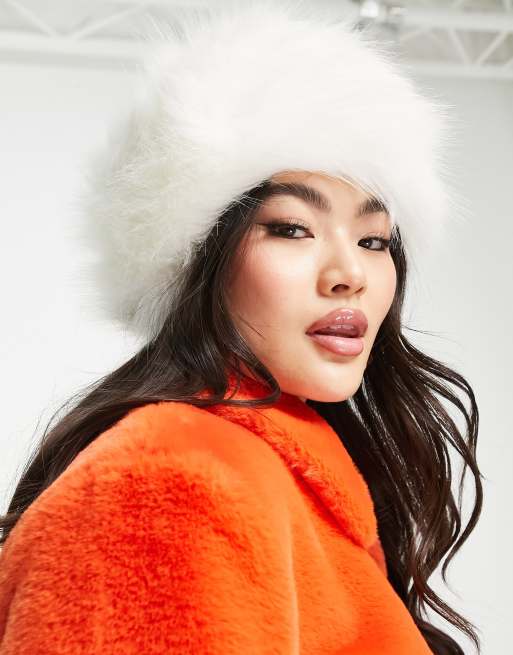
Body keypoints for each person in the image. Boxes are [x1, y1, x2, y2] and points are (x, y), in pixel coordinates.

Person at [0, 2, 483, 654]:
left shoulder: (282, 475)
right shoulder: (174, 479)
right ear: (199, 258)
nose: (349, 274)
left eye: (373, 239)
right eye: (291, 228)